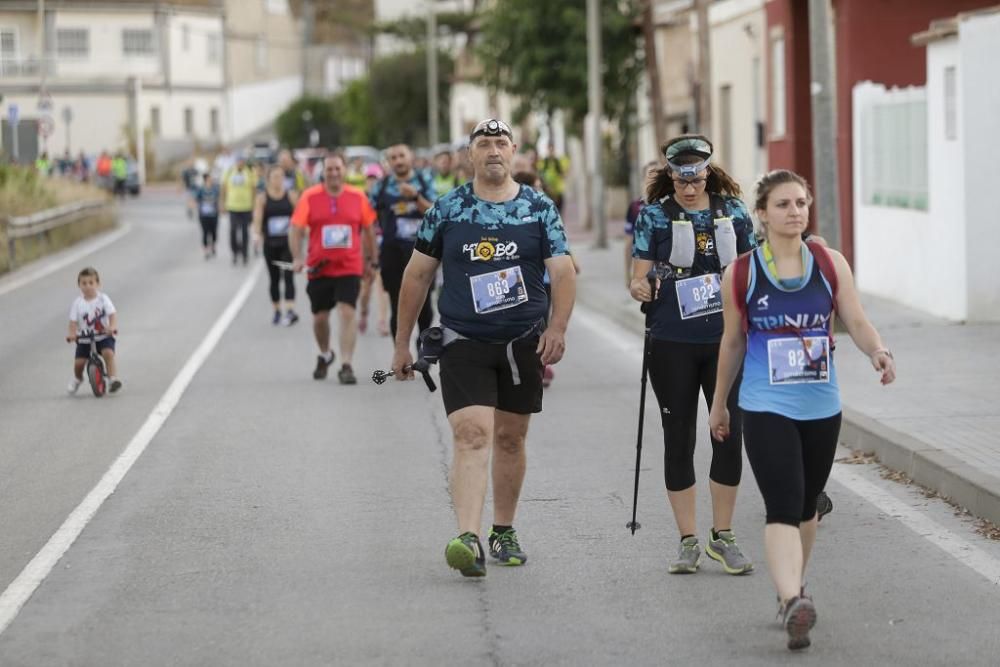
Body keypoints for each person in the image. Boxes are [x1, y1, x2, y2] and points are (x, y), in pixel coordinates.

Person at [708, 169, 896, 651]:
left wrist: (877, 350)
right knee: (784, 504)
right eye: (784, 205)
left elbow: (854, 318)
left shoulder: (830, 263)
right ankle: (794, 598)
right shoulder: (743, 272)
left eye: (801, 203)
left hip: (821, 404)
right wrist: (719, 404)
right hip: (765, 404)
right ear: (763, 215)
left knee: (808, 505)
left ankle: (791, 590)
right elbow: (732, 341)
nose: (795, 212)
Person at [390, 118, 577, 577]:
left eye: (500, 143)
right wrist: (401, 344)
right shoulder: (448, 209)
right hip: (463, 341)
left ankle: (503, 529)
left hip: (521, 344)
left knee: (511, 437)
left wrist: (557, 328)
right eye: (483, 144)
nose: (493, 150)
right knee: (472, 434)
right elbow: (417, 275)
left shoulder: (538, 208)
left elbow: (564, 271)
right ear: (468, 156)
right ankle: (468, 537)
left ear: (513, 151)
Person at [629, 134, 758, 576]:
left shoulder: (734, 213)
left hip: (726, 341)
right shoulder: (654, 217)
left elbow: (753, 269)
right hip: (672, 342)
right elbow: (637, 279)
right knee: (678, 436)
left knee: (728, 431)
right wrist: (640, 287)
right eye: (680, 181)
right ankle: (688, 541)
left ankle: (723, 535)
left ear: (706, 172)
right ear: (670, 176)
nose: (688, 188)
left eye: (695, 179)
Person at [289, 153, 377, 384]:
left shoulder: (358, 197)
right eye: (329, 169)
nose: (334, 173)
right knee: (320, 317)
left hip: (349, 266)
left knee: (347, 311)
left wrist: (372, 260)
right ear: (323, 172)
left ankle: (346, 364)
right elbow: (295, 229)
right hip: (319, 268)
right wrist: (297, 257)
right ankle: (326, 353)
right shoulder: (310, 197)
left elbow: (369, 231)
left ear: (344, 170)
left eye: (338, 168)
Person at [369, 144, 437, 341]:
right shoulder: (381, 186)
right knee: (396, 304)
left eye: (402, 156)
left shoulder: (424, 180)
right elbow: (367, 216)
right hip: (392, 252)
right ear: (388, 162)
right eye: (393, 158)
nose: (398, 161)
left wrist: (416, 197)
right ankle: (401, 351)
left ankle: (421, 346)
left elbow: (436, 213)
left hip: (422, 251)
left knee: (424, 307)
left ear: (411, 157)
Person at [253, 165, 300, 325]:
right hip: (271, 243)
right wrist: (257, 235)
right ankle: (277, 310)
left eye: (281, 177)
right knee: (274, 278)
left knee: (288, 275)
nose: (278, 180)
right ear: (268, 179)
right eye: (274, 177)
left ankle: (290, 309)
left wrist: (303, 234)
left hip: (288, 243)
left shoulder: (291, 196)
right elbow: (258, 219)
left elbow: (299, 217)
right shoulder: (263, 198)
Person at [66, 267, 122, 394]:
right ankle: (78, 378)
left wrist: (112, 327)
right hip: (85, 338)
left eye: (91, 283)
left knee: (108, 353)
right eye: (84, 283)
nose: (88, 286)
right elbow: (73, 322)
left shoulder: (103, 299)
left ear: (98, 284)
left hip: (103, 335)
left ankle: (112, 379)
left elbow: (112, 314)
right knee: (79, 363)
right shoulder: (78, 303)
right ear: (79, 285)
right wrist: (72, 334)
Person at [358, 163, 390, 336]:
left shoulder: (384, 199)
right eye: (369, 179)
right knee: (365, 288)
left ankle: (382, 321)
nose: (372, 183)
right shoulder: (360, 199)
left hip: (382, 244)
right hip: (364, 247)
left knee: (381, 284)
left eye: (375, 179)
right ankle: (363, 313)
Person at [624, 161, 659, 286]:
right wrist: (629, 274)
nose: (654, 179)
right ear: (644, 179)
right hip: (647, 273)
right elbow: (629, 242)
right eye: (650, 175)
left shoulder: (672, 206)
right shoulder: (635, 207)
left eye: (658, 175)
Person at [220, 153, 256, 265]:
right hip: (232, 206)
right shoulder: (229, 172)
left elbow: (253, 189)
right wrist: (222, 203)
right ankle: (235, 252)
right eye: (238, 161)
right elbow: (224, 188)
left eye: (242, 161)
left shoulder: (249, 172)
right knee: (233, 231)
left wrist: (254, 205)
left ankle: (245, 253)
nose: (240, 163)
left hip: (246, 206)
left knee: (245, 232)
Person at [191, 172, 221, 259]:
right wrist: (194, 205)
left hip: (214, 214)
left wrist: (220, 207)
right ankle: (206, 250)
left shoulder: (215, 189)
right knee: (205, 232)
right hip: (203, 215)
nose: (211, 180)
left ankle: (213, 245)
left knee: (214, 232)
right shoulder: (201, 190)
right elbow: (195, 199)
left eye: (211, 179)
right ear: (205, 180)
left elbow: (219, 199)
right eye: (209, 179)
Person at [537, 142, 568, 212]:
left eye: (552, 149)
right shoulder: (544, 162)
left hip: (558, 191)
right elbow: (540, 175)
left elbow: (563, 174)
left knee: (559, 211)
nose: (551, 151)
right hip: (547, 191)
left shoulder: (558, 161)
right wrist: (546, 186)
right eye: (549, 149)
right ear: (547, 149)